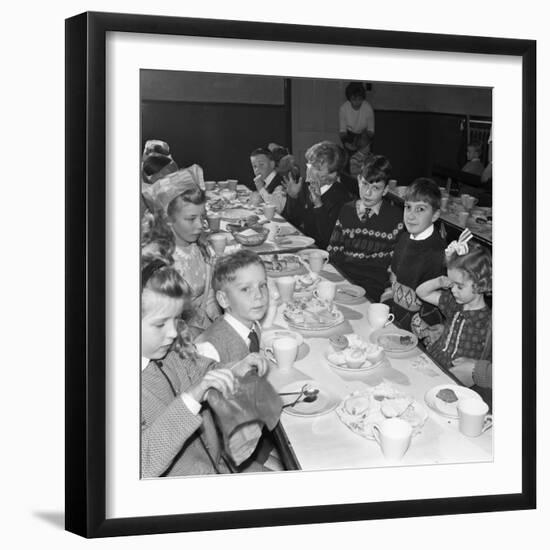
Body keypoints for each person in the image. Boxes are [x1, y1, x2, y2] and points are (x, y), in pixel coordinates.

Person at [140, 257, 270, 477]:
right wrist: (191, 397)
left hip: (213, 465)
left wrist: (234, 368)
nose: (173, 333)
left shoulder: (168, 356)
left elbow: (201, 369)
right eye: (160, 324)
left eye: (176, 320)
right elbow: (143, 463)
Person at [141, 167, 221, 335]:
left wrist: (217, 318)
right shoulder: (158, 264)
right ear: (168, 219)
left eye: (202, 217)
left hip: (204, 329)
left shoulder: (200, 247)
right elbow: (157, 324)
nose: (200, 225)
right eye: (191, 219)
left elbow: (209, 296)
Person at [416, 232, 492, 387]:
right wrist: (440, 281)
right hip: (435, 361)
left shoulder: (488, 321)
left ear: (480, 284)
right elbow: (421, 292)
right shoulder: (454, 303)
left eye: (459, 286)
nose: (453, 290)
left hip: (458, 376)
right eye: (452, 284)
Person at [327, 155, 404, 302]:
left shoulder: (396, 219)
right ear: (358, 180)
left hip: (374, 287)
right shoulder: (347, 210)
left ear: (386, 190)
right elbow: (334, 251)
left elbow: (396, 265)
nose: (368, 193)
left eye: (375, 188)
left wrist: (388, 291)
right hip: (345, 280)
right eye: (365, 184)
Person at [385, 178, 446, 335]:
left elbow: (434, 309)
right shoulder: (405, 238)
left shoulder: (437, 253)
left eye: (420, 209)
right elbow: (395, 280)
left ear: (435, 215)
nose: (410, 216)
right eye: (408, 207)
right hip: (396, 320)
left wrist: (408, 333)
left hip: (419, 332)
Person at [195, 250, 279, 363]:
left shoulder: (253, 325)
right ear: (224, 299)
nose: (259, 295)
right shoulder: (210, 350)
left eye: (262, 285)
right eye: (245, 289)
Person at [283, 141, 354, 249]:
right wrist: (293, 197)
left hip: (326, 255)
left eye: (317, 168)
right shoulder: (306, 186)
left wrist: (319, 205)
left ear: (332, 174)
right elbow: (292, 222)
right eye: (310, 164)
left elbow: (328, 239)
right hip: (306, 246)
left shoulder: (342, 198)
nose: (309, 170)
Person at [339, 82, 375, 156]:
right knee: (348, 157)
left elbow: (371, 131)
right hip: (349, 134)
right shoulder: (343, 109)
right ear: (349, 99)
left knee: (364, 158)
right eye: (353, 99)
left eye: (359, 99)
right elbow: (342, 131)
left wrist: (363, 142)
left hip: (364, 134)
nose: (357, 102)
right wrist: (347, 143)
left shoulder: (368, 108)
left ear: (363, 98)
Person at [249, 147, 287, 213]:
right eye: (254, 166)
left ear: (272, 164)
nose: (257, 169)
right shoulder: (265, 180)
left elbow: (277, 208)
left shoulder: (280, 183)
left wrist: (261, 189)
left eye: (261, 164)